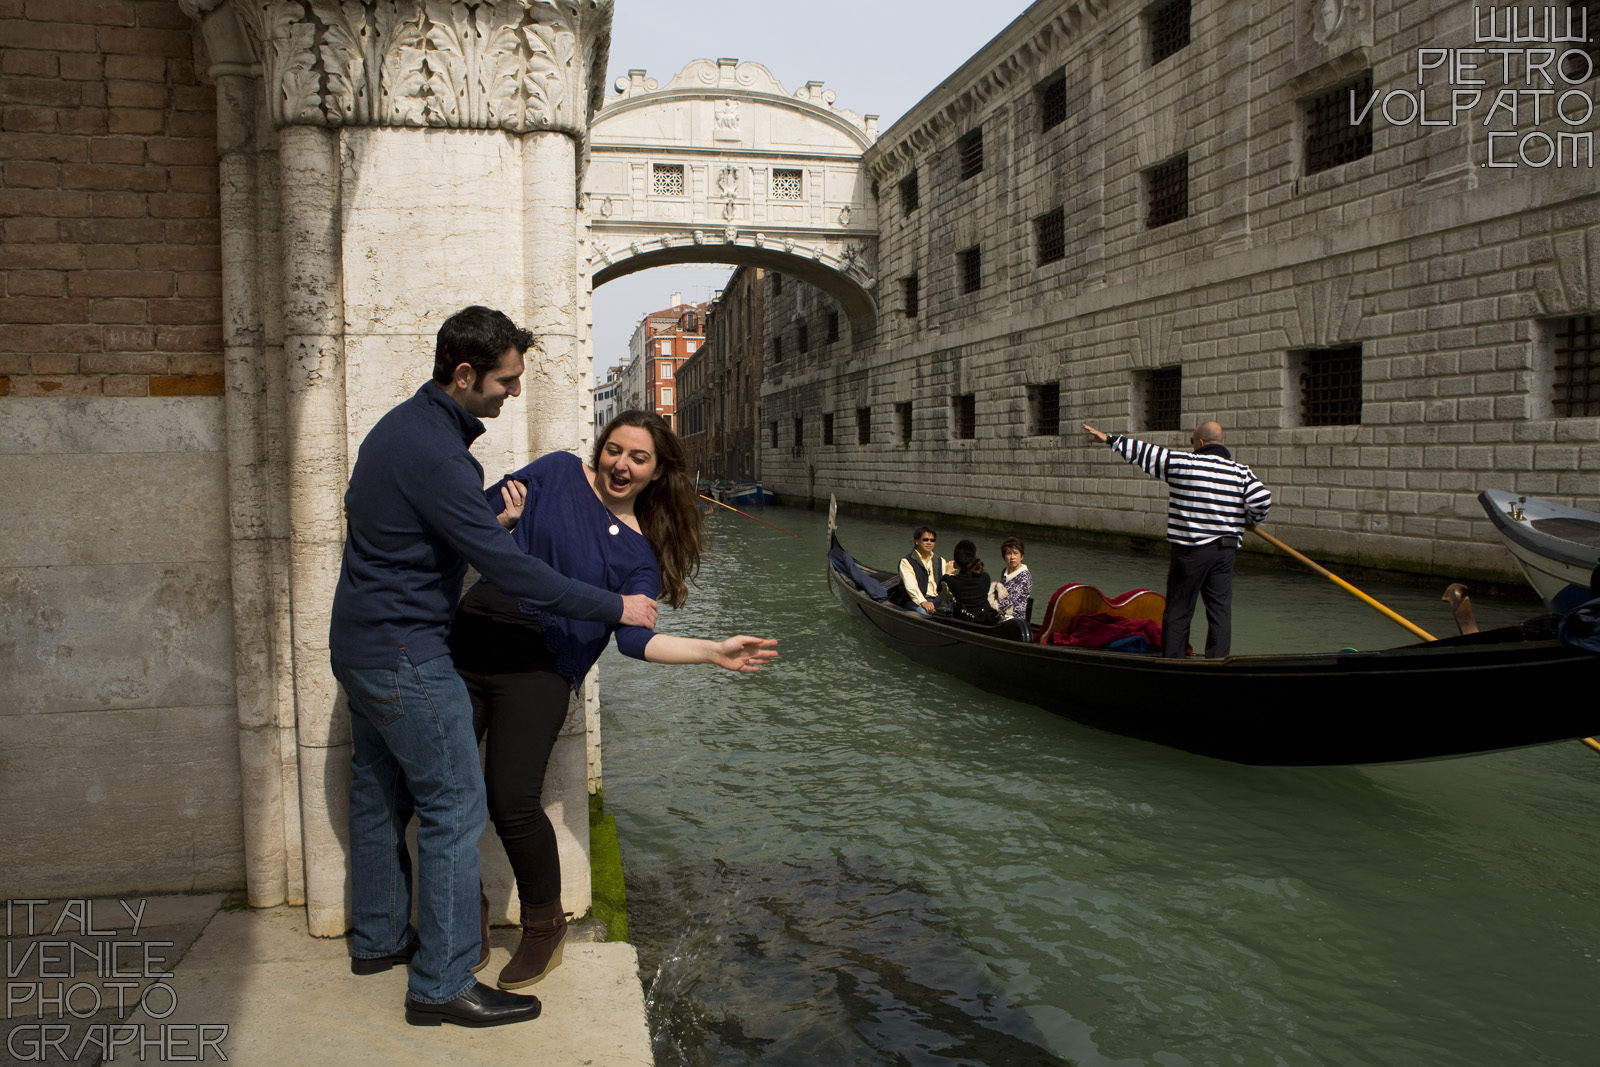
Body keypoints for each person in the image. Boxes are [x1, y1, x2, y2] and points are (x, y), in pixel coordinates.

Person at [329, 306, 658, 1030]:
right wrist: (618, 606)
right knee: (455, 806)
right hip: (407, 652)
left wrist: (486, 521)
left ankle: (379, 940)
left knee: (379, 791)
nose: (513, 392)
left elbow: (412, 532)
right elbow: (516, 572)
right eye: (506, 381)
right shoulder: (440, 454)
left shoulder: (398, 430)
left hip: (357, 643)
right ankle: (441, 981)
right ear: (465, 374)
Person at [452, 410, 777, 992]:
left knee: (510, 798)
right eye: (614, 450)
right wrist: (501, 519)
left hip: (541, 669)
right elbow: (470, 519)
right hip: (469, 646)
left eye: (638, 458)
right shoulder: (554, 472)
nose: (620, 465)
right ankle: (462, 911)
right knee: (446, 787)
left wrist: (711, 651)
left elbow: (636, 640)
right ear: (600, 447)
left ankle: (544, 926)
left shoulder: (637, 554)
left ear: (657, 473)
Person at [1081, 420, 1271, 658]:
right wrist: (1251, 519)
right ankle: (1218, 662)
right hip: (1225, 551)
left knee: (1179, 610)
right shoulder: (1241, 471)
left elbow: (1146, 453)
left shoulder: (1184, 463)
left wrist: (1110, 439)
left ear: (1200, 443)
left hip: (1192, 551)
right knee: (1220, 611)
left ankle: (1174, 660)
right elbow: (1262, 498)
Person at [937, 539, 1001, 624]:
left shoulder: (951, 581)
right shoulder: (985, 577)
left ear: (956, 562)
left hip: (965, 622)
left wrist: (947, 572)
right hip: (987, 619)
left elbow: (940, 590)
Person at [898, 526, 952, 614]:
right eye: (925, 540)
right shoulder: (906, 562)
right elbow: (911, 586)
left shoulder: (940, 560)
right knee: (924, 613)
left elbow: (944, 585)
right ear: (916, 541)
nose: (929, 543)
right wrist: (923, 602)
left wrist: (948, 573)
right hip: (915, 600)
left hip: (937, 599)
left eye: (932, 540)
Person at [993, 536, 1033, 624]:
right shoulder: (1005, 571)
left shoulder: (1024, 576)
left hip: (1015, 619)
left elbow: (1009, 600)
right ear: (1004, 557)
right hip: (1002, 613)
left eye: (1015, 553)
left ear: (1021, 556)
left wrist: (989, 606)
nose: (1012, 557)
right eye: (1008, 553)